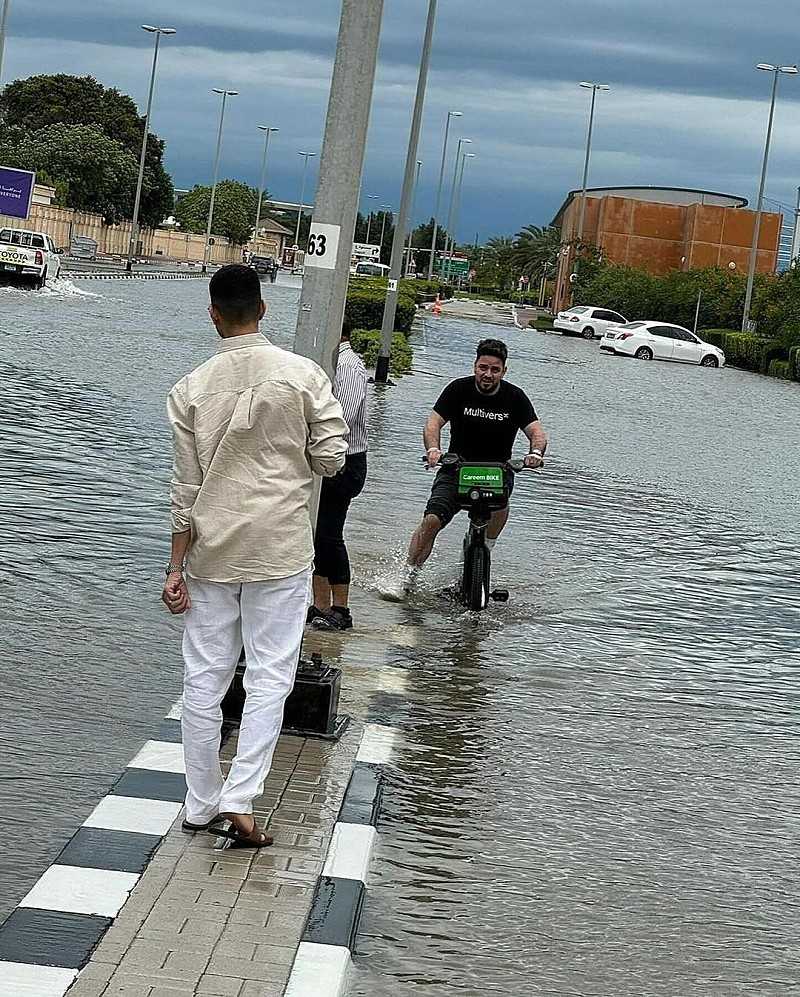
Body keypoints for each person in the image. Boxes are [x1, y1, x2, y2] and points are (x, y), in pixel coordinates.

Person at [162, 264, 348, 848]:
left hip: (211, 553)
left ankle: (198, 804)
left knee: (203, 679)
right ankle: (241, 800)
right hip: (280, 550)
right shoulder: (303, 376)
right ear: (263, 310)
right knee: (271, 677)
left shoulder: (189, 390)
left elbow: (184, 491)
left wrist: (174, 568)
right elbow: (332, 459)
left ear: (213, 314)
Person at [384, 338, 547, 600]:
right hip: (456, 468)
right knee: (432, 521)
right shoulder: (458, 390)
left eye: (495, 370)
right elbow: (433, 423)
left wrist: (535, 454)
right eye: (483, 368)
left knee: (501, 510)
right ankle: (407, 577)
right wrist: (433, 450)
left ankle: (480, 557)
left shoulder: (515, 397)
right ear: (475, 366)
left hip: (497, 471)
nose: (488, 374)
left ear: (504, 371)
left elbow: (537, 432)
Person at [307, 330, 368, 631]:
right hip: (331, 458)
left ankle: (341, 609)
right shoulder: (332, 364)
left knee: (330, 535)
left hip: (346, 462)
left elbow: (340, 420)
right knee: (318, 536)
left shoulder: (348, 367)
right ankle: (320, 606)